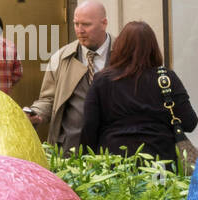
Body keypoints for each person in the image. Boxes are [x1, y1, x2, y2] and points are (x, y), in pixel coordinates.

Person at [81, 20, 197, 166]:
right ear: (153, 48)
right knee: (159, 189)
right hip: (160, 160)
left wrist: (87, 158)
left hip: (113, 161)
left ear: (119, 47)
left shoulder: (101, 80)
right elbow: (189, 122)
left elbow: (89, 125)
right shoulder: (166, 78)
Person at [25, 0, 111, 153]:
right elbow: (47, 99)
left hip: (111, 149)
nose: (80, 30)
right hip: (70, 150)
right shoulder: (60, 57)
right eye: (76, 24)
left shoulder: (123, 55)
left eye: (86, 24)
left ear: (104, 23)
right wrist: (36, 113)